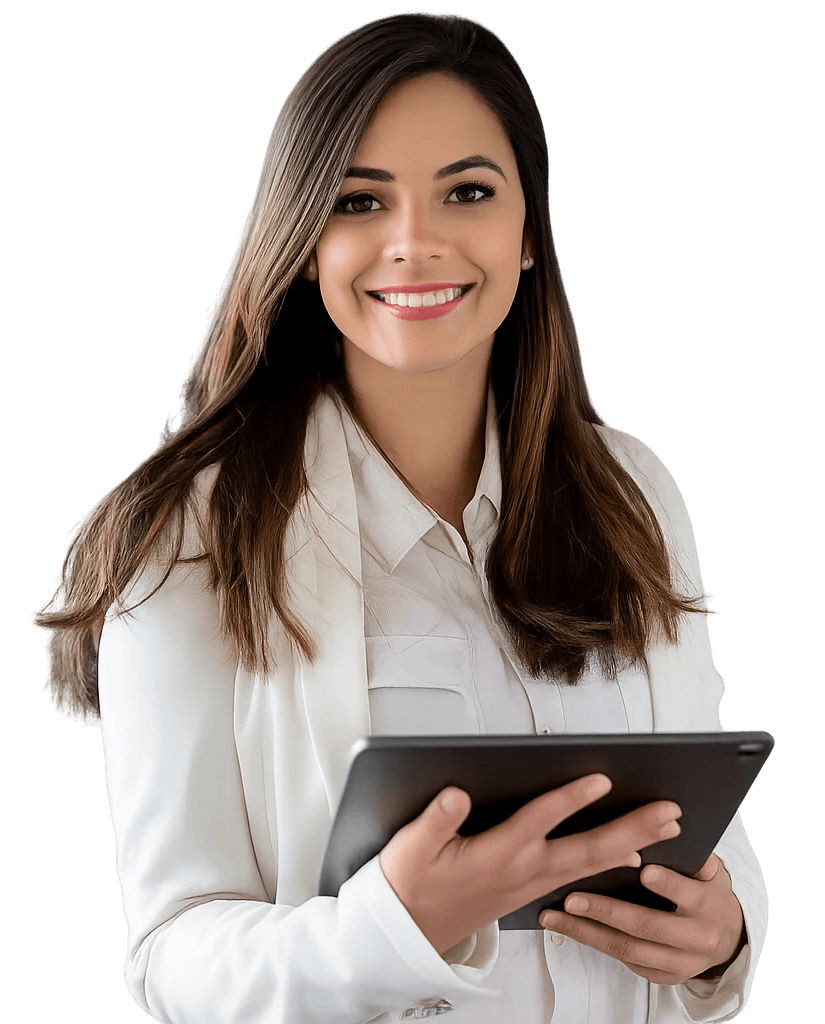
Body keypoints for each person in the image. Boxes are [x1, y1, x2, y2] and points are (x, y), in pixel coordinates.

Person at [31, 11, 767, 1023]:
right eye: (358, 201)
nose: (414, 243)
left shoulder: (631, 489)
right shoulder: (190, 537)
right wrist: (392, 929)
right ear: (301, 244)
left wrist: (720, 938)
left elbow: (709, 827)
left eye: (467, 191)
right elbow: (171, 949)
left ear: (526, 234)